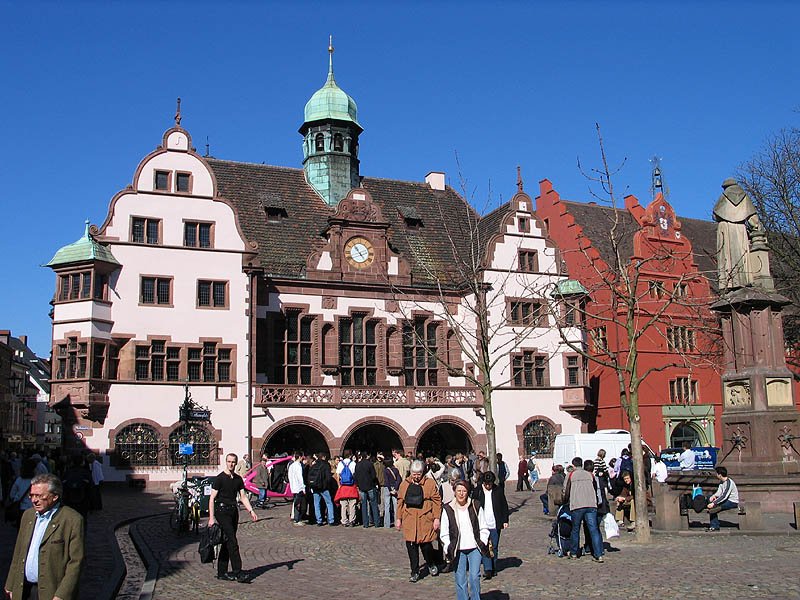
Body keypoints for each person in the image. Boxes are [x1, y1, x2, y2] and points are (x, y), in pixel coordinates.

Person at [4, 473, 85, 600]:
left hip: (52, 592)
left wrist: (62, 594)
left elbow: (76, 562)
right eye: (32, 495)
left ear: (55, 496)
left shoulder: (72, 519)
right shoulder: (28, 515)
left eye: (40, 496)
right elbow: (18, 552)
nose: (34, 500)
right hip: (24, 589)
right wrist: (11, 583)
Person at [208, 453, 258, 583]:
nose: (231, 464)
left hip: (233, 511)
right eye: (229, 461)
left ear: (236, 463)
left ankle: (221, 572)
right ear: (226, 462)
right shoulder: (219, 479)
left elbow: (243, 496)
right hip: (221, 511)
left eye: (233, 462)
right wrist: (211, 518)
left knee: (226, 541)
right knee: (232, 541)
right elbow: (212, 498)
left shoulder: (237, 479)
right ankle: (238, 572)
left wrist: (251, 510)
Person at [440, 480, 489, 600]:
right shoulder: (448, 509)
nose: (461, 494)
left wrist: (483, 540)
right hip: (458, 549)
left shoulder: (475, 505)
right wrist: (448, 546)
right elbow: (444, 532)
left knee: (474, 576)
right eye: (459, 491)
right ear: (454, 492)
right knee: (460, 578)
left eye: (464, 491)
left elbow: (483, 526)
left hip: (474, 547)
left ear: (468, 492)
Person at [396, 459, 442, 583]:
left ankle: (431, 563)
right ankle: (415, 571)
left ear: (422, 472)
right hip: (410, 519)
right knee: (412, 547)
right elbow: (400, 502)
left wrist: (436, 518)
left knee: (426, 546)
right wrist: (398, 518)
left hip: (425, 519)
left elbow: (437, 501)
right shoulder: (404, 484)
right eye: (414, 473)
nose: (416, 476)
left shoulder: (430, 484)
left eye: (419, 474)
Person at [563, 457, 604, 562]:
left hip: (577, 505)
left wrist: (565, 501)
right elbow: (595, 488)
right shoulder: (589, 474)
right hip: (591, 505)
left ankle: (573, 553)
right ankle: (598, 554)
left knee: (575, 529)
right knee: (593, 529)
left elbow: (565, 490)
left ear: (573, 465)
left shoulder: (571, 475)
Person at [471, 471, 508, 580]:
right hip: (482, 524)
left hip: (495, 523)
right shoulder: (478, 491)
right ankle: (488, 569)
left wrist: (505, 520)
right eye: (486, 484)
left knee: (494, 546)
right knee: (484, 546)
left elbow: (504, 506)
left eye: (490, 484)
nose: (488, 486)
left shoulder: (497, 490)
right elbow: (473, 506)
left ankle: (494, 566)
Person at [706, 466, 739, 532]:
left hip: (732, 502)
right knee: (709, 497)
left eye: (717, 473)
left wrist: (714, 503)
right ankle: (714, 525)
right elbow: (719, 492)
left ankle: (714, 526)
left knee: (714, 508)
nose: (716, 475)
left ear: (720, 475)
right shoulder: (721, 482)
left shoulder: (729, 482)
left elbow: (724, 496)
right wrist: (713, 496)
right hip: (725, 500)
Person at [6, 458, 36, 528]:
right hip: (33, 508)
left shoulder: (19, 480)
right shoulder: (36, 480)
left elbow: (12, 494)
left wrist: (16, 498)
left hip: (21, 508)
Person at [61, 455, 92, 521]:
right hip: (83, 500)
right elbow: (90, 487)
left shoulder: (68, 472)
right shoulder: (85, 472)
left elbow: (62, 484)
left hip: (69, 499)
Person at [308, 453, 335, 526]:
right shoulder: (326, 465)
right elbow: (328, 478)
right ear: (324, 457)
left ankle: (319, 521)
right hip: (324, 488)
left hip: (315, 487)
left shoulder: (314, 465)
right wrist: (327, 485)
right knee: (329, 503)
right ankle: (331, 520)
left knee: (316, 504)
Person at [355, 452, 379, 528]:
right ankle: (376, 522)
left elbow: (355, 476)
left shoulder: (357, 464)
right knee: (374, 504)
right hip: (370, 486)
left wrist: (358, 484)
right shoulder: (369, 464)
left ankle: (365, 523)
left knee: (364, 505)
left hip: (361, 487)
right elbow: (374, 476)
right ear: (367, 456)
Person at [335, 450, 358, 526]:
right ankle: (352, 520)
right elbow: (355, 475)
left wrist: (339, 485)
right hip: (351, 486)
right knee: (352, 504)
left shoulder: (340, 464)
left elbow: (337, 475)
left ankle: (344, 520)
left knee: (343, 505)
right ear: (350, 455)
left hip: (343, 486)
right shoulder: (353, 464)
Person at [288, 453, 307, 525]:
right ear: (299, 457)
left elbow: (289, 476)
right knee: (300, 504)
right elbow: (300, 478)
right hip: (299, 488)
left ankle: (296, 518)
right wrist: (303, 488)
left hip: (294, 487)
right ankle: (297, 519)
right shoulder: (298, 466)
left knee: (296, 503)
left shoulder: (291, 465)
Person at [383, 457, 401, 528]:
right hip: (395, 487)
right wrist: (395, 489)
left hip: (387, 488)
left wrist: (390, 489)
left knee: (387, 506)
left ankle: (387, 524)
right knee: (396, 506)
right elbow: (399, 479)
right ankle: (397, 523)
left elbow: (386, 481)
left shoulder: (385, 471)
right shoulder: (396, 470)